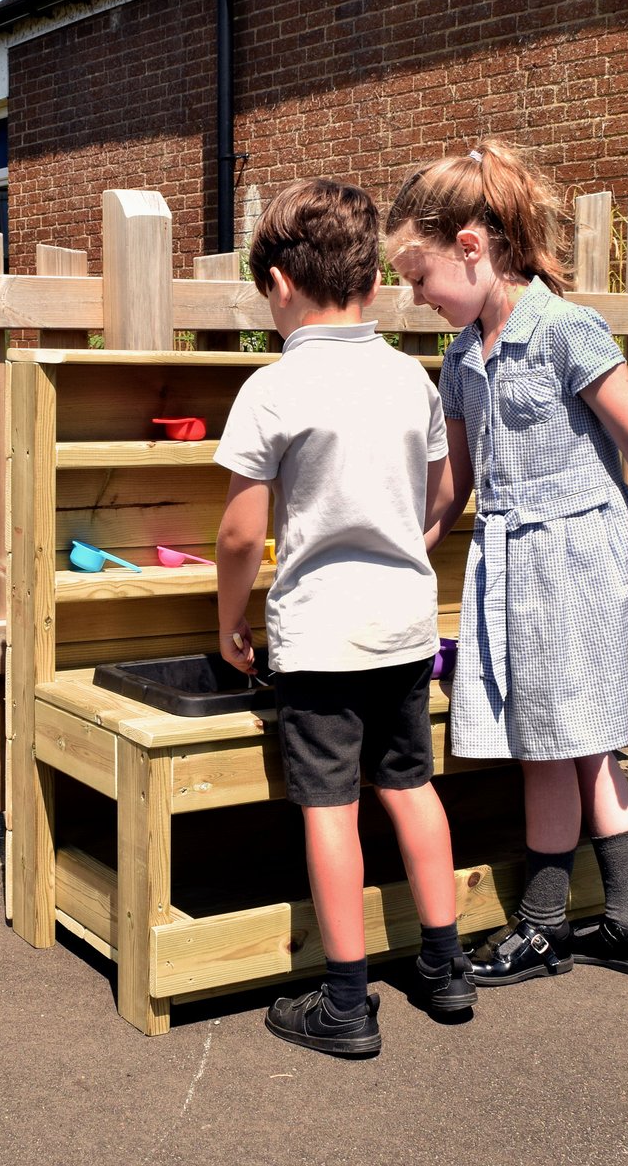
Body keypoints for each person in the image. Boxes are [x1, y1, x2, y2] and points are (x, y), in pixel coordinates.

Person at [384, 141, 628, 987]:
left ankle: (542, 928)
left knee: (573, 744)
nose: (415, 297)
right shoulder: (462, 357)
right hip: (511, 566)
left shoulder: (565, 330)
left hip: (585, 559)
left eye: (419, 276)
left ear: (471, 244)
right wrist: (409, 546)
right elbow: (455, 479)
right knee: (563, 745)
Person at [214, 177, 475, 1057]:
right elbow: (440, 498)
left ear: (281, 285)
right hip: (405, 628)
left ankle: (347, 1002)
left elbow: (241, 532)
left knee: (329, 807)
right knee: (411, 787)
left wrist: (228, 622)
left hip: (321, 637)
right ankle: (445, 969)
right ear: (369, 279)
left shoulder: (274, 387)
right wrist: (404, 543)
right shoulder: (411, 381)